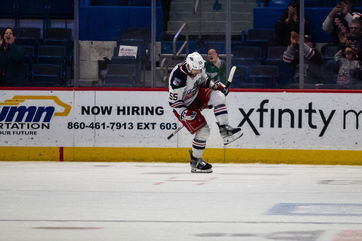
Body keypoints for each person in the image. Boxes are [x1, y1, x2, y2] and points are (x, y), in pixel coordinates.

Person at [168, 52, 243, 173]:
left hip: (196, 95)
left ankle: (224, 129)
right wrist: (185, 113)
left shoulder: (198, 68)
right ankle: (196, 161)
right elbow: (173, 102)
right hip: (184, 106)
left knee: (218, 95)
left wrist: (216, 86)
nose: (198, 72)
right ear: (188, 65)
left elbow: (204, 81)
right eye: (195, 70)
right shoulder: (178, 77)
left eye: (199, 69)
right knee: (204, 131)